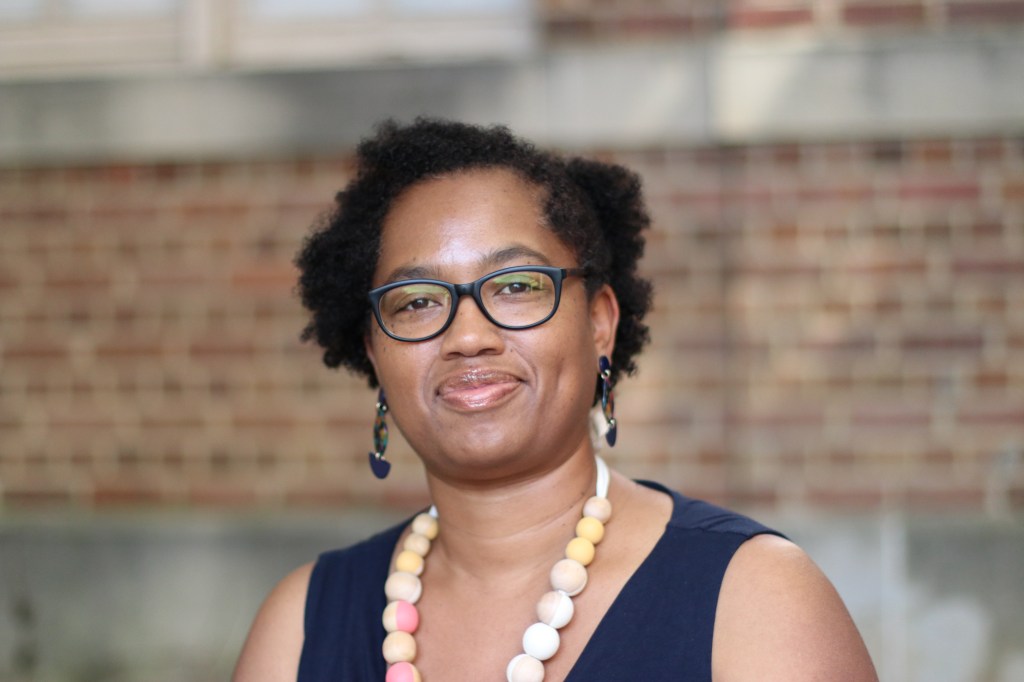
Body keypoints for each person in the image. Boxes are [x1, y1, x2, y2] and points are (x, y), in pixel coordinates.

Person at [233, 119, 878, 682]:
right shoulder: (300, 627)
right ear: (374, 352)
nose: (467, 336)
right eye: (418, 300)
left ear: (599, 322)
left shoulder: (754, 598)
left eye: (515, 285)